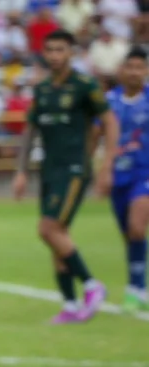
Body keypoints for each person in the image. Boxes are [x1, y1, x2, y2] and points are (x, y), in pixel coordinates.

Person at [13, 30, 118, 324]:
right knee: (58, 237)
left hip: (73, 170)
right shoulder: (42, 89)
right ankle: (70, 306)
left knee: (48, 229)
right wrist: (20, 172)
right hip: (49, 169)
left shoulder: (84, 86)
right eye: (50, 50)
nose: (55, 56)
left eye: (60, 50)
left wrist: (107, 163)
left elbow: (110, 121)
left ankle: (91, 285)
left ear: (70, 53)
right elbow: (31, 130)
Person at [106, 48, 149, 313]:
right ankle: (139, 285)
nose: (134, 72)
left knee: (136, 227)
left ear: (145, 71)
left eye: (139, 67)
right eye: (129, 66)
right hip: (117, 175)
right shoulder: (109, 101)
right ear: (122, 70)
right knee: (129, 235)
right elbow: (96, 134)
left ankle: (135, 289)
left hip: (144, 174)